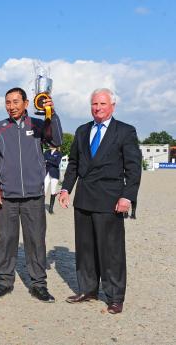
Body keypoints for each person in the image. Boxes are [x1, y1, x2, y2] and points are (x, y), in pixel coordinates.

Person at [59, 88, 142, 314]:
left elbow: (133, 169)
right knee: (85, 249)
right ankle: (88, 289)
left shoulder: (125, 131)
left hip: (110, 200)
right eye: (94, 104)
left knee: (111, 250)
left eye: (102, 104)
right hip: (84, 198)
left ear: (112, 106)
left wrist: (127, 196)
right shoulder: (82, 130)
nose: (98, 108)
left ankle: (115, 296)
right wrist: (66, 188)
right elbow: (73, 164)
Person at [0, 87, 62, 302]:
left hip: (33, 195)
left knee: (36, 241)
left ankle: (39, 284)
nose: (11, 106)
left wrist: (52, 114)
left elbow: (55, 141)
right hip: (7, 196)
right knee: (6, 240)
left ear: (26, 103)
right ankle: (3, 282)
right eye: (8, 102)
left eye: (16, 102)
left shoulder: (38, 125)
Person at [43, 146, 63, 214]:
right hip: (47, 173)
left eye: (51, 144)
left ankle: (51, 208)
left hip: (54, 174)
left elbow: (57, 164)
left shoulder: (59, 153)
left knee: (53, 191)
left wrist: (48, 160)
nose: (49, 145)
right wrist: (52, 160)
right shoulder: (46, 152)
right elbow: (43, 160)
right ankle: (41, 207)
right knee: (44, 190)